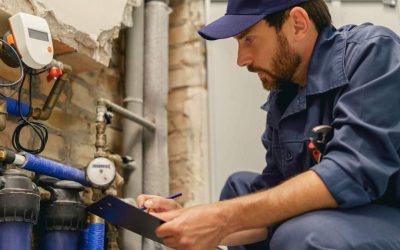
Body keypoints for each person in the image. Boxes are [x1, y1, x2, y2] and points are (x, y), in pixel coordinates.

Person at [137, 0, 400, 249]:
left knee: (303, 234)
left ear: (297, 23)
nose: (242, 60)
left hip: (389, 212)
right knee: (238, 188)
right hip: (348, 216)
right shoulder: (284, 95)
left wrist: (220, 217)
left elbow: (350, 174)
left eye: (248, 39)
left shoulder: (374, 52)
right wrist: (189, 222)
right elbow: (271, 203)